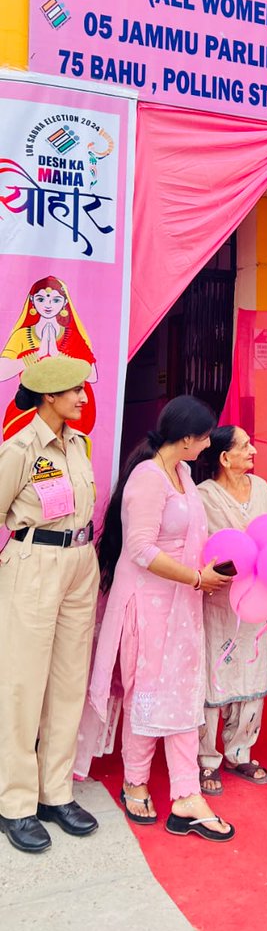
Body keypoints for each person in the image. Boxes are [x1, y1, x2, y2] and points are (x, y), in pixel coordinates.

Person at [88, 396, 235, 843]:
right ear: (187, 437)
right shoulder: (147, 479)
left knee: (184, 690)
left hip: (182, 603)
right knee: (147, 691)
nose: (209, 443)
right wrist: (195, 577)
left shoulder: (185, 474)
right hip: (148, 606)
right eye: (206, 436)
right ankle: (135, 780)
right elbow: (141, 549)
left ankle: (187, 794)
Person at [0, 356, 99, 854]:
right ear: (48, 398)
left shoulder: (79, 445)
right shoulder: (19, 449)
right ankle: (14, 802)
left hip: (81, 563)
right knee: (21, 684)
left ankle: (53, 793)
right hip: (34, 562)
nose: (83, 398)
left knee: (67, 682)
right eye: (73, 391)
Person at [196, 425, 267, 796]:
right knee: (214, 675)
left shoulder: (262, 489)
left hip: (258, 603)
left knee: (251, 673)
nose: (254, 451)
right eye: (245, 446)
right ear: (224, 457)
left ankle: (240, 752)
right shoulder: (204, 497)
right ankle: (206, 760)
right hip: (218, 602)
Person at [0, 276, 97, 439]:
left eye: (55, 300)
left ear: (64, 303)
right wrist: (36, 355)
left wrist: (58, 355)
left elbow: (92, 375)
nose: (48, 305)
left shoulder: (72, 336)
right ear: (32, 301)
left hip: (65, 407)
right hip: (29, 406)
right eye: (41, 299)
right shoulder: (23, 335)